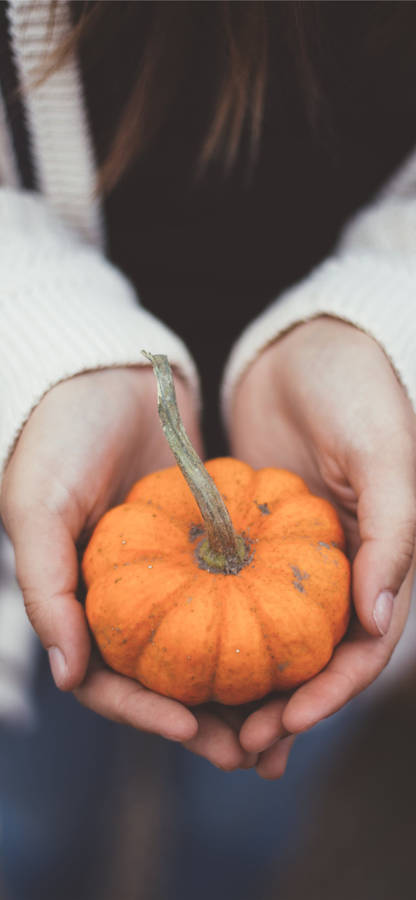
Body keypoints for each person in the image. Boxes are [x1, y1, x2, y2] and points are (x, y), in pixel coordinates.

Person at [0, 0, 415, 784]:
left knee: (251, 803)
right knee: (35, 806)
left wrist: (388, 325)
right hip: (50, 518)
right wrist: (48, 350)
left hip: (340, 543)